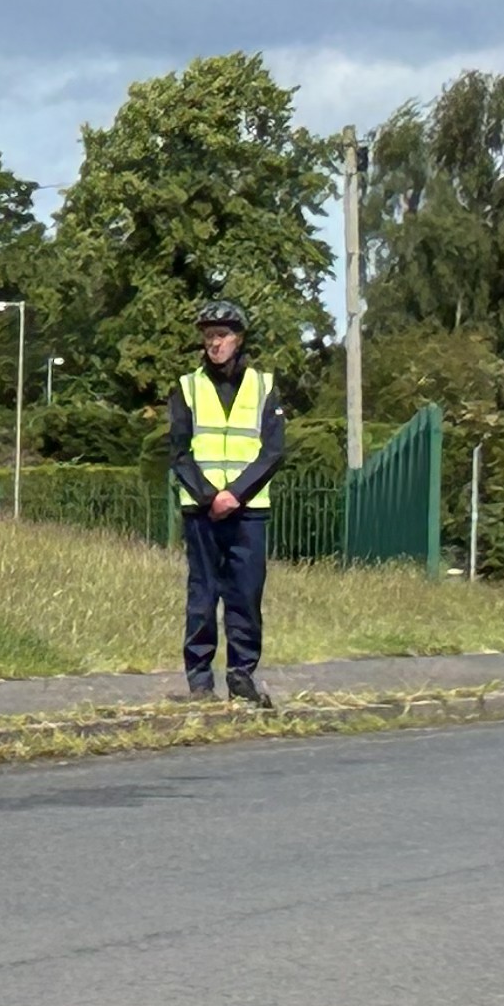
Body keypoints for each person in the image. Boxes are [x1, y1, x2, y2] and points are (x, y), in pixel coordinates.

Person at [170, 298, 286, 705]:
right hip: (201, 510)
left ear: (239, 339)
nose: (214, 343)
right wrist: (209, 496)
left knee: (245, 594)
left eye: (221, 335)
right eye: (208, 337)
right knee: (202, 596)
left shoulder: (265, 386)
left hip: (248, 509)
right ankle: (200, 681)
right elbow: (180, 452)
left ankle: (242, 676)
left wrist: (235, 495)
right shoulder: (187, 387)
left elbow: (272, 451)